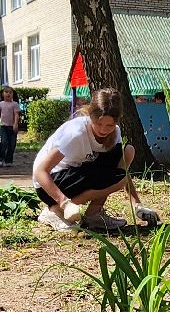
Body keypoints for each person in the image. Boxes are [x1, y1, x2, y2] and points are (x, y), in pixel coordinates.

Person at [32, 88, 155, 232]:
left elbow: (120, 174)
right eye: (98, 123)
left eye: (109, 125)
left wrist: (137, 204)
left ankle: (93, 215)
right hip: (49, 185)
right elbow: (40, 171)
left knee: (127, 152)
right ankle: (54, 211)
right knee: (111, 175)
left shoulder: (115, 133)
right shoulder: (75, 134)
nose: (103, 129)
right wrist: (64, 203)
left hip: (78, 174)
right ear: (91, 115)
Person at [0, 87, 22, 166]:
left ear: (12, 94)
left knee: (12, 144)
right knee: (4, 143)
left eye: (10, 92)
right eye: (6, 92)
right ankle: (0, 159)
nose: (8, 94)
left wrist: (15, 124)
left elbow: (16, 115)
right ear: (3, 94)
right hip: (3, 127)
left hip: (12, 128)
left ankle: (8, 160)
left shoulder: (15, 104)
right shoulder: (0, 104)